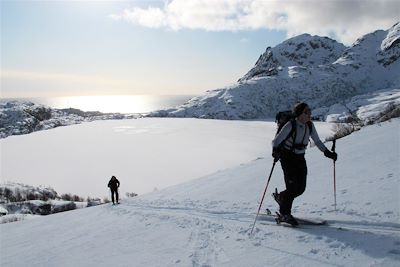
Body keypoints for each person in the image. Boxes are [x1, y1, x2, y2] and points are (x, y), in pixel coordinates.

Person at [272, 102, 337, 225]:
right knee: (292, 188)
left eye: (310, 111)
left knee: (301, 188)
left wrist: (328, 153)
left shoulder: (310, 125)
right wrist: (275, 152)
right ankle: (284, 214)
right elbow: (276, 141)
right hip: (287, 158)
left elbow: (317, 141)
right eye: (306, 111)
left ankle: (282, 197)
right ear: (300, 113)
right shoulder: (291, 125)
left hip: (300, 157)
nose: (310, 113)